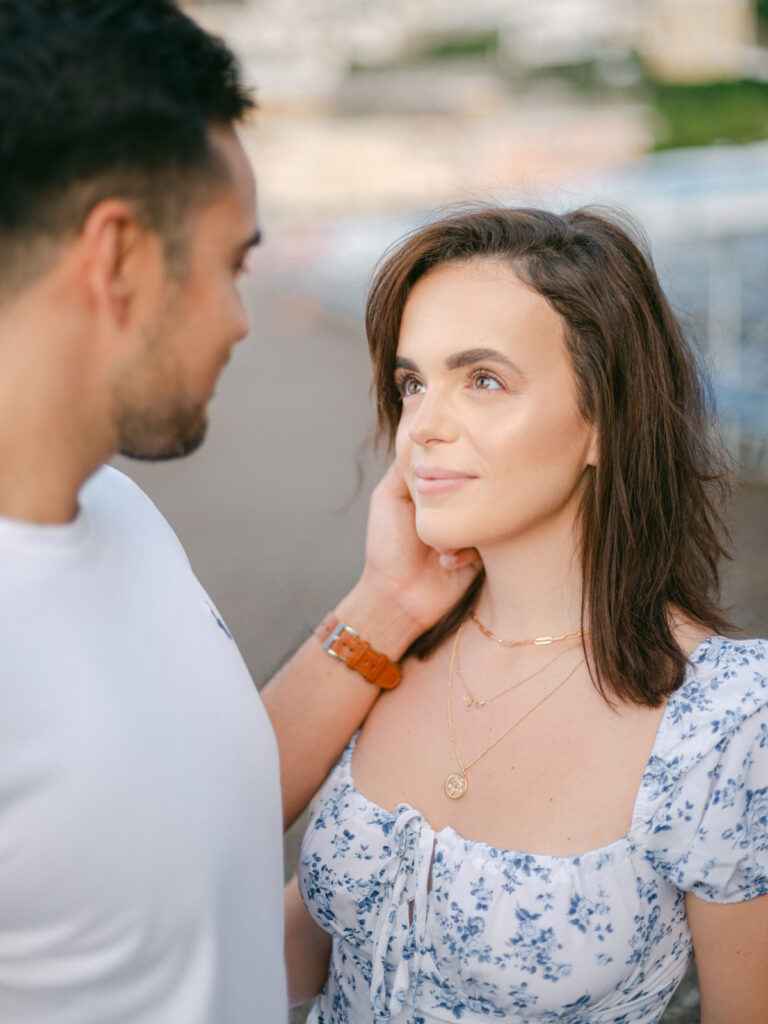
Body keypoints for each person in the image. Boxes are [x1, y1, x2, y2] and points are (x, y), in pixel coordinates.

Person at [0, 3, 478, 1021]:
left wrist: (389, 602)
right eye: (231, 263)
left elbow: (183, 810)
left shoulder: (115, 510)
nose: (241, 320)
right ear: (118, 256)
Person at [285, 206, 768, 1022]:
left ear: (606, 420)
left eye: (483, 380)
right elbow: (287, 938)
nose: (423, 429)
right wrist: (384, 601)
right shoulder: (389, 648)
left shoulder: (723, 719)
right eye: (413, 383)